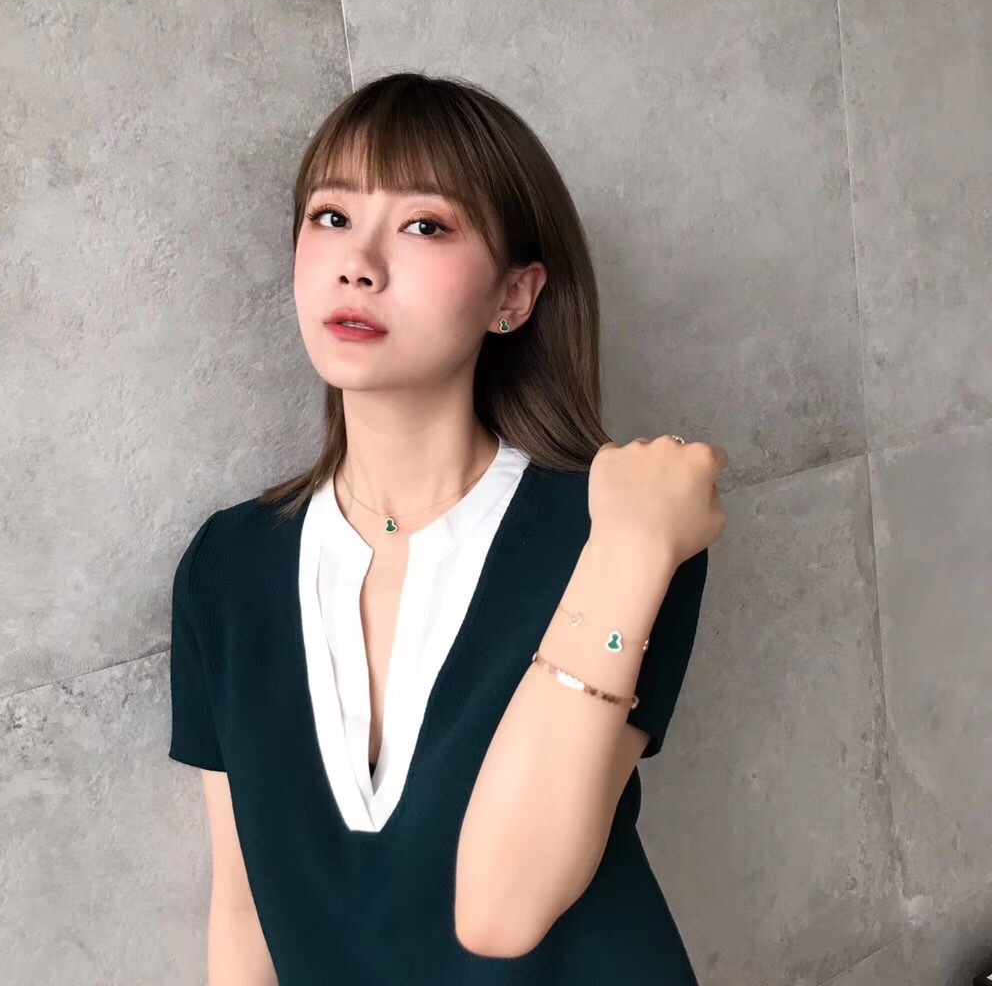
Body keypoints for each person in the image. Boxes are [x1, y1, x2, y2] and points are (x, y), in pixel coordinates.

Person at [168, 71, 728, 985]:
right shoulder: (226, 571)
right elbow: (242, 906)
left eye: (424, 225)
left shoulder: (619, 533)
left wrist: (632, 548)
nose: (359, 263)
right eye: (331, 216)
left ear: (515, 296)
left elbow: (502, 912)